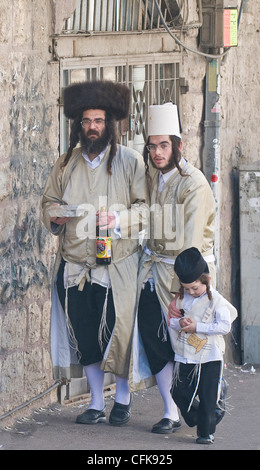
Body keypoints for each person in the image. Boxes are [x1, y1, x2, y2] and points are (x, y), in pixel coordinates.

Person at [42, 80, 148, 426]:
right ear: (79, 125)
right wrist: (54, 215)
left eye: (99, 121)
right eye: (87, 121)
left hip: (115, 264)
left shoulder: (130, 162)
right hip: (74, 265)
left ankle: (121, 398)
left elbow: (146, 210)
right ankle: (95, 404)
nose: (92, 128)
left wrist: (119, 218)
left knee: (116, 333)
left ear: (109, 125)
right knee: (84, 334)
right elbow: (48, 204)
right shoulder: (65, 164)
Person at [130, 103, 216, 435]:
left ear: (178, 145)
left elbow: (190, 247)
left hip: (184, 278)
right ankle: (171, 410)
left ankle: (205, 403)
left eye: (164, 145)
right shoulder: (150, 176)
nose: (156, 152)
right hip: (152, 273)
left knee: (188, 344)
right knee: (155, 342)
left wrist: (182, 292)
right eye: (151, 146)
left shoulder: (194, 185)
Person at [168, 247, 237, 444]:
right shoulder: (180, 300)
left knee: (206, 396)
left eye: (195, 288)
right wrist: (178, 323)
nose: (191, 292)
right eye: (186, 288)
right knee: (178, 391)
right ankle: (204, 417)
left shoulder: (217, 301)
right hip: (185, 353)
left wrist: (198, 326)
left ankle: (206, 432)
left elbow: (224, 326)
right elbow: (171, 322)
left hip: (210, 355)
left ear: (206, 280)